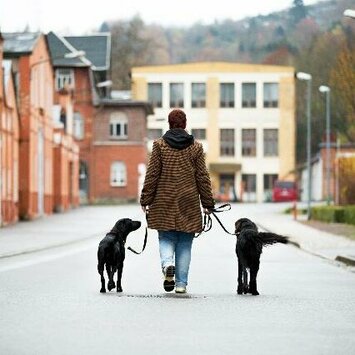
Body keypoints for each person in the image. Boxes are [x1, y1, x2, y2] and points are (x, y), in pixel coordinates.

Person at [140, 109, 215, 294]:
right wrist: (208, 203)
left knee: (166, 237)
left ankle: (167, 266)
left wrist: (145, 198)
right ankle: (181, 284)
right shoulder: (196, 147)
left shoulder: (159, 145)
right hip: (188, 202)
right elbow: (202, 177)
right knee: (185, 243)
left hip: (163, 201)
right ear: (185, 124)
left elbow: (152, 174)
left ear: (169, 123)